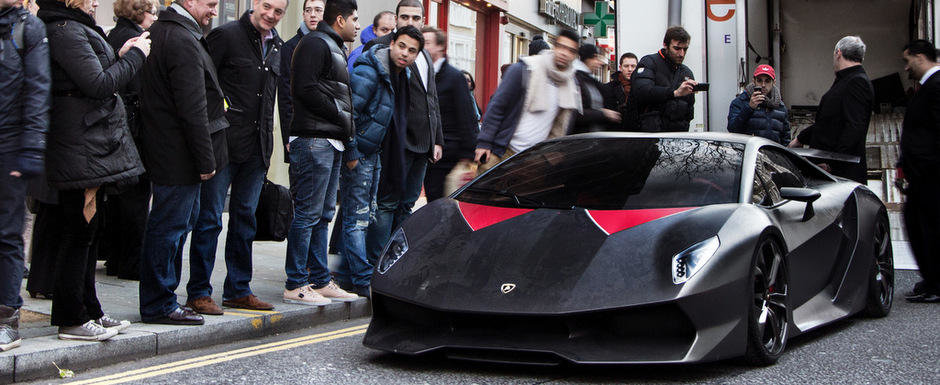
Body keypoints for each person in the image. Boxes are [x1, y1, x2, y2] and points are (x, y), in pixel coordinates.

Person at [37, 0, 148, 340]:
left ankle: (90, 311)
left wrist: (121, 53)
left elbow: (91, 74)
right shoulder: (65, 30)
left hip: (88, 144)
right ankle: (72, 318)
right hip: (80, 146)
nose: (97, 2)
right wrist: (135, 56)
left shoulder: (72, 26)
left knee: (89, 229)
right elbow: (98, 84)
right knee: (79, 232)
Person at [182, 0, 286, 316]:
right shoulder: (225, 36)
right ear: (255, 4)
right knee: (210, 219)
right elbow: (203, 87)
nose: (271, 15)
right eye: (267, 6)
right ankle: (199, 292)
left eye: (278, 11)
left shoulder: (277, 46)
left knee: (245, 220)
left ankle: (238, 289)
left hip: (257, 149)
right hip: (224, 145)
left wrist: (269, 149)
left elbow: (270, 101)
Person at [138, 0, 228, 326]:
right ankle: (159, 302)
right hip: (178, 155)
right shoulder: (180, 39)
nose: (214, 11)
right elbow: (193, 110)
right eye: (210, 3)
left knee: (172, 227)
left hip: (169, 151)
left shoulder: (165, 31)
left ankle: (163, 299)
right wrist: (206, 161)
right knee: (170, 229)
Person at [283, 0, 360, 305]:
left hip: (330, 140)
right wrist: (341, 116)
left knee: (324, 215)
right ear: (339, 19)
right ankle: (296, 283)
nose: (357, 24)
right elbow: (305, 89)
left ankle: (318, 279)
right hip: (315, 140)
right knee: (307, 214)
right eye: (354, 18)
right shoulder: (316, 44)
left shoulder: (332, 44)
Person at [340, 26, 423, 298]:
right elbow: (348, 112)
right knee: (357, 219)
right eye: (402, 46)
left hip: (374, 152)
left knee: (366, 214)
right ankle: (363, 279)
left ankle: (351, 274)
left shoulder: (403, 74)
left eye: (412, 51)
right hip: (361, 153)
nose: (405, 54)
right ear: (392, 43)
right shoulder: (370, 69)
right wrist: (352, 152)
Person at [362, 0, 444, 266]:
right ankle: (377, 263)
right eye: (404, 17)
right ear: (396, 19)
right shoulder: (380, 48)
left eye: (415, 17)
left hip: (422, 146)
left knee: (405, 206)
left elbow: (432, 99)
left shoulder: (423, 54)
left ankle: (393, 263)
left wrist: (437, 138)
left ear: (423, 20)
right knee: (385, 205)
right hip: (393, 143)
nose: (410, 22)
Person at [0, 0, 48, 351]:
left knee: (7, 233)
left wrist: (29, 151)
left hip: (9, 145)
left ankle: (7, 319)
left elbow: (37, 91)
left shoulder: (28, 28)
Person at [474, 29, 582, 172]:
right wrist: (484, 143)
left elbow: (561, 124)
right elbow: (497, 106)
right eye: (561, 47)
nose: (564, 53)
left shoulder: (570, 85)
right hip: (502, 152)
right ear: (554, 46)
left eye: (570, 50)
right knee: (482, 194)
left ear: (574, 55)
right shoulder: (525, 69)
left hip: (534, 160)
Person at [103, 0, 158, 281]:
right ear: (139, 12)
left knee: (123, 198)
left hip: (123, 124)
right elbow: (134, 83)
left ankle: (117, 258)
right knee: (135, 197)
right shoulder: (134, 39)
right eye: (151, 11)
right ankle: (129, 261)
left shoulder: (116, 33)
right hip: (134, 127)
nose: (155, 17)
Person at [789, 36, 873, 184]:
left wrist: (832, 164)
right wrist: (801, 138)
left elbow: (854, 129)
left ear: (838, 53)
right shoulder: (846, 80)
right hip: (831, 171)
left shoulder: (856, 82)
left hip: (841, 175)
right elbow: (829, 122)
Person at [899, 39, 940, 303]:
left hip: (932, 174)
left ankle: (936, 283)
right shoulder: (927, 88)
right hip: (923, 173)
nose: (905, 68)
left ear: (920, 57)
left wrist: (924, 164)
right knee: (917, 223)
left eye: (907, 60)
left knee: (930, 226)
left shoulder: (936, 87)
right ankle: (932, 279)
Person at [422, 26, 478, 201]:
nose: (423, 47)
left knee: (442, 203)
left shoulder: (454, 77)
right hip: (426, 152)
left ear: (440, 47)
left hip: (448, 153)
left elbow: (467, 116)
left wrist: (468, 154)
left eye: (427, 43)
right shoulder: (420, 73)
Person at [631, 26, 699, 132]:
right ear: (665, 45)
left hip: (679, 136)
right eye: (677, 48)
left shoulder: (687, 72)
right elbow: (642, 91)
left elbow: (689, 110)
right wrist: (675, 93)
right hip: (651, 135)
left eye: (685, 49)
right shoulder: (649, 62)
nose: (681, 54)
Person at [278, 0, 322, 159]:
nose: (313, 15)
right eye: (308, 10)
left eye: (318, 10)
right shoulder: (291, 47)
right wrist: (289, 135)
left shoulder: (332, 45)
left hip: (326, 135)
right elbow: (285, 95)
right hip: (299, 131)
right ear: (303, 14)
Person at [727, 64, 790, 145]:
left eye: (767, 81)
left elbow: (786, 138)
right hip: (748, 154)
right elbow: (732, 129)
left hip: (772, 155)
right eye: (759, 80)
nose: (763, 85)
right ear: (754, 81)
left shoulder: (780, 106)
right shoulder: (740, 102)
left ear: (773, 82)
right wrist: (749, 108)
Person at [570, 43, 621, 134]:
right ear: (587, 59)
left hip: (594, 135)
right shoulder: (576, 79)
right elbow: (577, 113)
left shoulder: (590, 79)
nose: (599, 62)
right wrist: (604, 114)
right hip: (581, 137)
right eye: (595, 58)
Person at [602, 52, 639, 131]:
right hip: (614, 133)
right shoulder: (608, 88)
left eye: (633, 66)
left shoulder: (642, 87)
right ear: (620, 67)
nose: (630, 69)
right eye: (626, 66)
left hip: (637, 133)